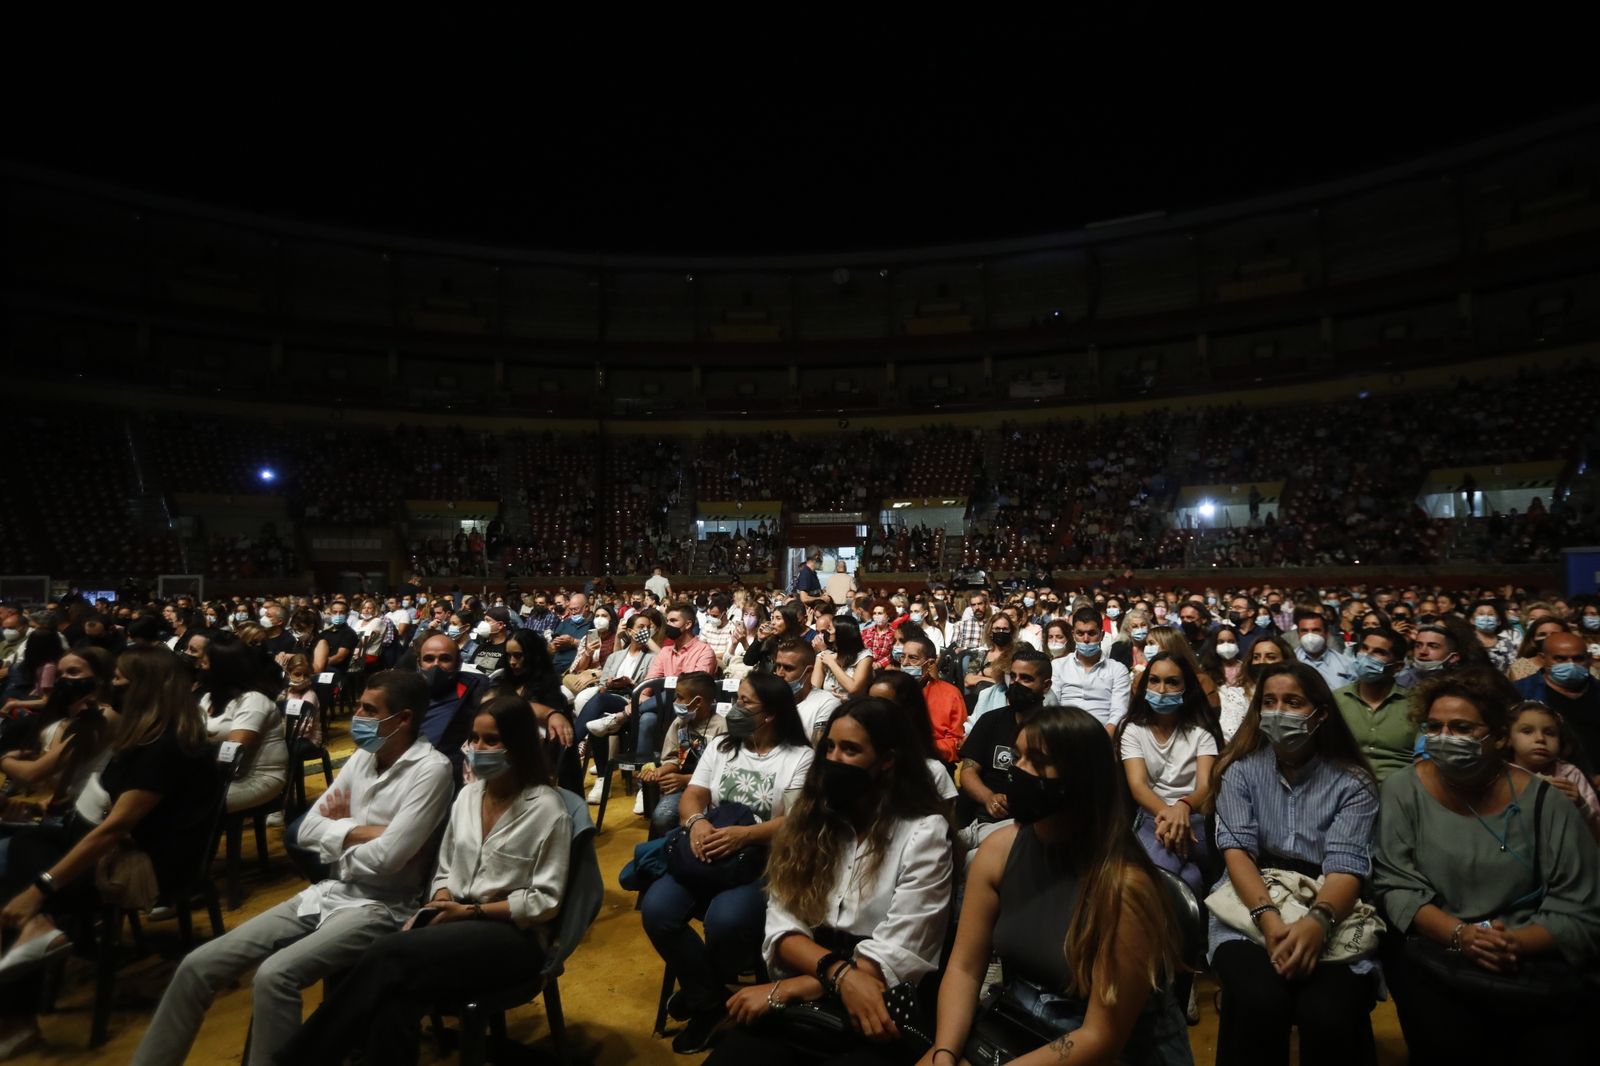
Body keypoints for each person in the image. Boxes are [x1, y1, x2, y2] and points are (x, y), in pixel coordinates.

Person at [129, 670, 453, 1066]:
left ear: (402, 719)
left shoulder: (431, 769)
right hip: (330, 891)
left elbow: (388, 860)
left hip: (381, 907)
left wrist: (337, 836)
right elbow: (305, 830)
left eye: (368, 709)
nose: (357, 715)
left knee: (275, 976)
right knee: (198, 966)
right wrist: (362, 833)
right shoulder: (363, 758)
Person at [282, 695, 570, 1066]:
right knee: (395, 998)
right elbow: (445, 865)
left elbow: (545, 900)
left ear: (517, 746)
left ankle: (298, 1057)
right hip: (451, 919)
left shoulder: (547, 809)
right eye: (474, 739)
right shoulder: (467, 796)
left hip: (512, 935)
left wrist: (470, 912)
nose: (477, 748)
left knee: (386, 953)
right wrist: (443, 895)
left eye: (491, 740)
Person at [919, 705, 1191, 1066]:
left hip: (1116, 1049)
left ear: (1079, 780)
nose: (1018, 772)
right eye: (1017, 757)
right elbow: (965, 968)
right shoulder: (999, 851)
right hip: (1020, 1021)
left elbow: (1101, 1038)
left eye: (1038, 761)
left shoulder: (1125, 889)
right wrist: (944, 1052)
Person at [707, 697, 954, 1066]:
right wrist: (836, 975)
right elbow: (783, 924)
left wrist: (791, 988)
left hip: (877, 997)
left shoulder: (923, 833)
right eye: (830, 747)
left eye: (851, 750)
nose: (834, 759)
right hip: (814, 978)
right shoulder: (810, 821)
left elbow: (901, 950)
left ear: (887, 761)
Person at [1373, 669, 1600, 1062]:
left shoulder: (1547, 802)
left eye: (1461, 727)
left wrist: (1514, 943)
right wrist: (1464, 936)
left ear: (1498, 736)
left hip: (1531, 958)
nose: (1444, 737)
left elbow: (1580, 905)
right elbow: (1397, 886)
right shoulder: (1402, 790)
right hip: (1437, 954)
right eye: (1434, 727)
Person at [0, 647, 219, 1054]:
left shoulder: (165, 746)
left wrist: (42, 888)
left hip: (144, 868)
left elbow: (116, 827)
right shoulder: (149, 735)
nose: (113, 685)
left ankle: (18, 1015)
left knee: (20, 886)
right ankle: (34, 951)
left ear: (145, 687)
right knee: (22, 847)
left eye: (120, 679)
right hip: (117, 848)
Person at [1206, 661, 1380, 1066]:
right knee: (1258, 998)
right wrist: (1270, 921)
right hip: (1251, 892)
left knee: (1330, 1010)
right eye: (1269, 702)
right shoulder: (1239, 770)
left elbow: (1346, 865)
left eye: (1293, 702)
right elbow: (1237, 853)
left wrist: (1317, 922)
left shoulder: (1353, 782)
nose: (1278, 712)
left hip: (1328, 895)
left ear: (1320, 714)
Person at [641, 671, 814, 1054]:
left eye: (745, 702)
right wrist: (697, 823)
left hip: (759, 860)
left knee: (727, 921)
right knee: (656, 910)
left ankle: (707, 997)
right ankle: (710, 998)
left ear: (769, 714)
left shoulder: (799, 757)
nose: (734, 708)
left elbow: (795, 821)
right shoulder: (723, 745)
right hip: (707, 851)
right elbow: (696, 793)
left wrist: (743, 836)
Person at [1117, 652, 1219, 897]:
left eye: (1172, 682)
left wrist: (1182, 808)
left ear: (1186, 687)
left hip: (1194, 816)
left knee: (1156, 874)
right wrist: (1170, 815)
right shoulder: (1132, 729)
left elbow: (1205, 786)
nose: (1161, 689)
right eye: (1154, 681)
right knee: (1188, 879)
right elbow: (1138, 786)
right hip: (1153, 814)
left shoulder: (1200, 730)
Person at [955, 646, 1051, 845]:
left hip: (1033, 823)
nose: (1016, 684)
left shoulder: (1055, 728)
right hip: (986, 819)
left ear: (1046, 685)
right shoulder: (991, 721)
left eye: (1026, 679)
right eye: (1013, 677)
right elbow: (968, 772)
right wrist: (989, 798)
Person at [198, 632, 289, 812]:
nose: (200, 666)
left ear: (222, 668)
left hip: (257, 778)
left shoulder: (253, 700)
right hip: (221, 774)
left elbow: (232, 755)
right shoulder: (209, 697)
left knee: (183, 803)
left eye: (205, 662)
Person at [638, 672, 726, 837]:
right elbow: (673, 759)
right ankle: (657, 855)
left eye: (679, 697)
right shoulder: (679, 723)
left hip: (707, 790)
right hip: (681, 785)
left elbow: (722, 773)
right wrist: (659, 772)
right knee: (660, 817)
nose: (675, 702)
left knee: (664, 817)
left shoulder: (721, 727)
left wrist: (684, 780)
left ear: (697, 701)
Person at [1505, 699, 1600, 841]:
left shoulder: (1569, 774)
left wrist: (1580, 804)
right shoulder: (1501, 774)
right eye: (1527, 731)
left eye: (1549, 733)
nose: (1540, 739)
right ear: (1508, 738)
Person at [1513, 632, 1600, 785]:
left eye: (1578, 658)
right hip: (1544, 781)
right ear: (1542, 659)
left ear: (1588, 659)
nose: (1571, 664)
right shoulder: (1520, 693)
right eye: (1560, 659)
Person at [1330, 626, 1415, 784]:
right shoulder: (1336, 700)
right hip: (1346, 788)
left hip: (1398, 790)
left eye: (1379, 652)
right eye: (1364, 648)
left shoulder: (1414, 704)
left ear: (1397, 667)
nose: (1366, 656)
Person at [1050, 607, 1130, 729]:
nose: (1086, 639)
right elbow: (1053, 705)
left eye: (1092, 633)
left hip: (1102, 734)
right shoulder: (1058, 666)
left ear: (1102, 635)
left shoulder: (1118, 670)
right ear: (1073, 635)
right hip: (1065, 732)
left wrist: (1104, 740)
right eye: (1080, 633)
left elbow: (1119, 711)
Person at [898, 633, 966, 763]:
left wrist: (923, 749)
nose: (905, 663)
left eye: (913, 658)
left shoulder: (950, 694)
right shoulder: (892, 689)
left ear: (930, 664)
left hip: (935, 760)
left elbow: (956, 742)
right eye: (902, 657)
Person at [774, 639, 843, 741]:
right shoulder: (767, 699)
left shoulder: (827, 703)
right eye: (778, 666)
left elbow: (818, 751)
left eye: (788, 668)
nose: (780, 673)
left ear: (808, 671)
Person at [1199, 626, 1248, 745]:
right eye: (1221, 642)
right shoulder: (1205, 671)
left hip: (1243, 731)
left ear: (1237, 643)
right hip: (1214, 732)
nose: (1226, 646)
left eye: (1231, 641)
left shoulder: (1246, 669)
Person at [1292, 608, 1354, 689]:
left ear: (1326, 633)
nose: (1310, 636)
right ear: (1298, 634)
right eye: (1304, 631)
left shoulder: (1345, 663)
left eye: (1316, 630)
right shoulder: (1291, 661)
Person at [814, 616, 874, 700]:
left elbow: (853, 688)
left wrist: (832, 663)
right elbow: (814, 690)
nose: (827, 632)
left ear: (841, 634)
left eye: (830, 629)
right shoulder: (823, 656)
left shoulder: (864, 657)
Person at [1468, 599, 1519, 675]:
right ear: (1472, 620)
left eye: (1491, 614)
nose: (1486, 617)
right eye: (1481, 614)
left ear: (1498, 621)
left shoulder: (1507, 643)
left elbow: (1521, 670)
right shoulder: (1466, 642)